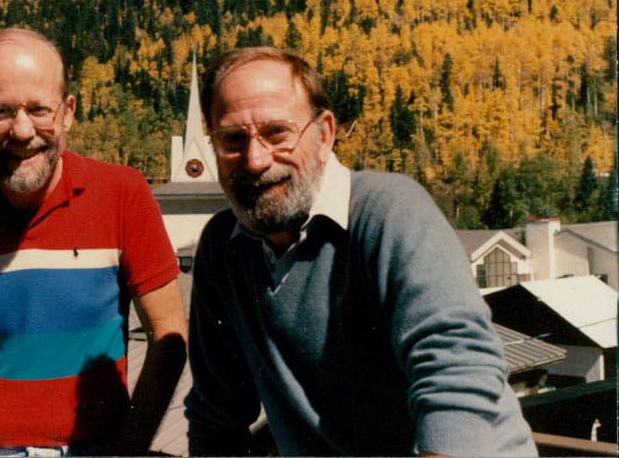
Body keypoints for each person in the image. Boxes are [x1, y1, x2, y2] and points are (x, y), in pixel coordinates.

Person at [184, 46, 537, 457]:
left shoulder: (387, 210)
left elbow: (457, 367)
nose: (255, 158)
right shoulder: (222, 247)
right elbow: (215, 412)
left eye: (277, 132)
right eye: (232, 139)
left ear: (325, 134)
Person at [0, 27, 187, 457]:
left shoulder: (122, 193)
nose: (23, 130)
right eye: (1, 112)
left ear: (67, 113)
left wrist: (128, 452)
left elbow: (169, 334)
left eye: (39, 109)